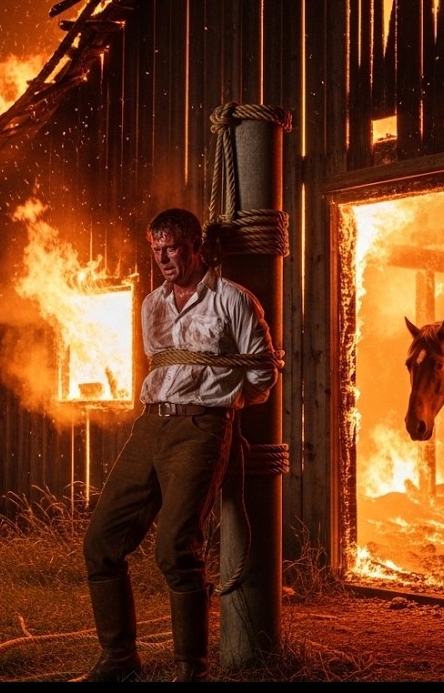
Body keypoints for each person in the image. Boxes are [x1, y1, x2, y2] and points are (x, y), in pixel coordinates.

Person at [77, 207, 279, 683]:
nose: (163, 258)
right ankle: (119, 661)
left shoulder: (233, 300)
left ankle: (192, 670)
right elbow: (161, 366)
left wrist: (221, 408)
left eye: (171, 248)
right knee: (100, 542)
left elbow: (262, 373)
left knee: (174, 547)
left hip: (202, 427)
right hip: (151, 426)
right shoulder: (152, 305)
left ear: (196, 246)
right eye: (156, 249)